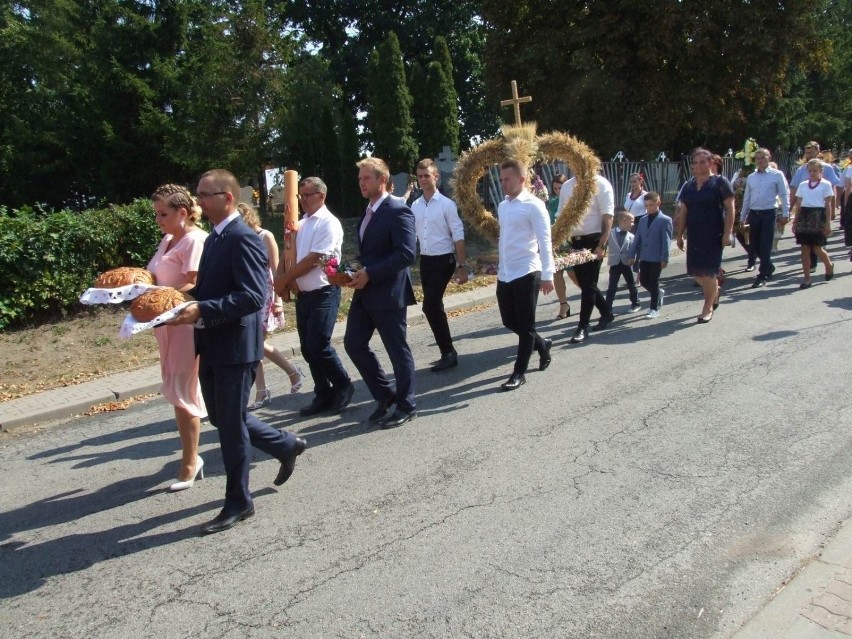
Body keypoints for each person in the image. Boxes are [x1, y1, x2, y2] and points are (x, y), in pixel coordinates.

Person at [168, 169, 306, 535]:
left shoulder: (243, 238)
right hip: (212, 342)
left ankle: (239, 501)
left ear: (227, 198)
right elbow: (212, 288)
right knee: (223, 418)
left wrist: (204, 310)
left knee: (230, 425)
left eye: (204, 194)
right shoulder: (215, 237)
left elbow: (252, 296)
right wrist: (177, 302)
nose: (197, 200)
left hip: (235, 347)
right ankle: (285, 444)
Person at [344, 157, 418, 428]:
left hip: (388, 292)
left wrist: (371, 273)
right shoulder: (369, 210)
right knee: (353, 343)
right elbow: (372, 252)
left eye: (366, 178)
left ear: (382, 180)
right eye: (360, 178)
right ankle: (385, 395)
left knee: (397, 349)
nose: (361, 183)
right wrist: (355, 268)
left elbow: (407, 253)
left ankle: (407, 404)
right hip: (365, 291)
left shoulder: (397, 210)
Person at [274, 177, 354, 417]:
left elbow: (315, 259)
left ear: (321, 196)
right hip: (304, 295)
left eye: (307, 195)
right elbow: (289, 254)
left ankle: (343, 385)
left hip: (324, 292)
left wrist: (286, 278)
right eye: (300, 196)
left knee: (319, 344)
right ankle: (323, 393)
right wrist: (281, 278)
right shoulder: (301, 223)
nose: (302, 200)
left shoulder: (328, 223)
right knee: (308, 349)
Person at [147, 185, 208, 492]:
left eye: (163, 214)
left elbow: (195, 284)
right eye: (156, 214)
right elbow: (155, 277)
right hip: (165, 326)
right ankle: (190, 456)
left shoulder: (195, 240)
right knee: (175, 388)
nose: (158, 219)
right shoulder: (168, 239)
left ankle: (190, 460)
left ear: (182, 213)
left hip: (185, 324)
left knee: (184, 392)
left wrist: (161, 299)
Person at [236, 203, 303, 410]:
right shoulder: (239, 239)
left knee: (254, 342)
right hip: (249, 294)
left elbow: (276, 271)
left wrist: (278, 299)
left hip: (266, 294)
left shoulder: (265, 236)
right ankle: (267, 387)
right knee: (254, 344)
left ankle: (289, 373)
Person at [495, 158, 555, 391]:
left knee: (526, 324)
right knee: (509, 320)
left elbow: (545, 241)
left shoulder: (534, 205)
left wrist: (548, 274)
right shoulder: (503, 205)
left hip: (527, 271)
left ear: (522, 179)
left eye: (507, 179)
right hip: (506, 272)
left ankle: (519, 373)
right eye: (501, 180)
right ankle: (542, 344)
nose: (503, 183)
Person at [411, 158, 468, 372]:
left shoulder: (446, 204)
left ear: (436, 176)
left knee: (430, 305)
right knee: (434, 306)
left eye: (427, 175)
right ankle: (447, 351)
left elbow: (458, 235)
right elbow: (413, 236)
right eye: (420, 176)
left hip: (444, 260)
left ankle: (448, 352)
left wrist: (462, 266)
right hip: (426, 261)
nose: (424, 179)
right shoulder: (415, 206)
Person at [675, 148, 735, 324]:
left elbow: (730, 208)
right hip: (694, 234)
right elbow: (683, 211)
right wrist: (679, 235)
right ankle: (714, 292)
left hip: (713, 233)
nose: (699, 165)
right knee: (695, 272)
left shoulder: (720, 183)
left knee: (709, 272)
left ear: (710, 163)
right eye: (695, 162)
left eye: (703, 162)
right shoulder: (689, 186)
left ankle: (707, 307)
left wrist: (727, 232)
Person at [558, 171, 615, 342]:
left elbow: (608, 217)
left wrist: (601, 244)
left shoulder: (601, 184)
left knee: (589, 283)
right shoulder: (567, 186)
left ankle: (582, 326)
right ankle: (606, 312)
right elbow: (561, 216)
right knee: (584, 283)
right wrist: (559, 240)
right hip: (575, 241)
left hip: (594, 238)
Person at [739, 148, 790, 288]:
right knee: (754, 244)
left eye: (763, 158)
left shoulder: (777, 175)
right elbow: (747, 198)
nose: (760, 161)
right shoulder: (751, 177)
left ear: (769, 158)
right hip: (754, 214)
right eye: (757, 158)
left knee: (765, 244)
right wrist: (742, 217)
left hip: (769, 213)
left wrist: (786, 213)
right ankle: (768, 266)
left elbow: (784, 194)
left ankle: (762, 275)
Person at [790, 141, 839, 272]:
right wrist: (790, 210)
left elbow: (832, 190)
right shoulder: (801, 169)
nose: (809, 154)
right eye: (807, 152)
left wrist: (833, 210)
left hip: (819, 211)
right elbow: (795, 190)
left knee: (816, 243)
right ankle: (810, 266)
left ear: (818, 152)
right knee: (806, 242)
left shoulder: (827, 168)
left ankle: (822, 264)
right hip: (805, 210)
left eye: (812, 152)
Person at [628, 192, 673, 319]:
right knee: (643, 281)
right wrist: (632, 254)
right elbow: (637, 239)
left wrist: (665, 258)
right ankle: (658, 293)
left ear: (658, 203)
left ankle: (654, 308)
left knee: (654, 281)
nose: (649, 208)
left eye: (651, 205)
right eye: (646, 206)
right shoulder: (642, 220)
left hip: (657, 257)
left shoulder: (665, 220)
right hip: (645, 256)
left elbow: (666, 241)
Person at [791, 158, 835, 288]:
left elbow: (827, 205)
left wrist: (827, 223)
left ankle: (828, 265)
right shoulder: (803, 185)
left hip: (818, 216)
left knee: (816, 247)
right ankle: (807, 279)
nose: (812, 173)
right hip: (804, 216)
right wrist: (795, 220)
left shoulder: (826, 184)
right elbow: (799, 204)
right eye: (810, 170)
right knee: (804, 248)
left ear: (821, 170)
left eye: (815, 170)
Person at [604, 209, 640, 314]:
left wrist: (633, 257)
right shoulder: (610, 233)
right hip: (615, 263)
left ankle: (635, 303)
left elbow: (634, 249)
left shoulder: (631, 236)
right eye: (632, 221)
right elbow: (604, 245)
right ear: (624, 220)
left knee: (631, 284)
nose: (633, 224)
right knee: (612, 286)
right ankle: (607, 308)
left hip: (626, 263)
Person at [548, 173, 573, 320]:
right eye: (555, 188)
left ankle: (593, 298)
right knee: (557, 274)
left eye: (560, 188)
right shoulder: (551, 202)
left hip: (569, 240)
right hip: (555, 241)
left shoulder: (570, 201)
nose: (558, 191)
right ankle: (563, 304)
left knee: (573, 273)